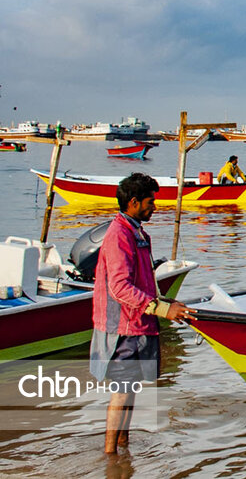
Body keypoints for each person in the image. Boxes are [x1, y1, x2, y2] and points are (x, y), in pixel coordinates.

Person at [91, 172, 195, 454]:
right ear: (134, 203)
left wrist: (165, 303)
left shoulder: (136, 231)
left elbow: (142, 281)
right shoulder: (118, 235)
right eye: (151, 202)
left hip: (139, 323)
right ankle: (111, 456)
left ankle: (123, 447)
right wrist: (162, 308)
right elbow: (120, 288)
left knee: (131, 389)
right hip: (122, 328)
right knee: (122, 390)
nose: (154, 207)